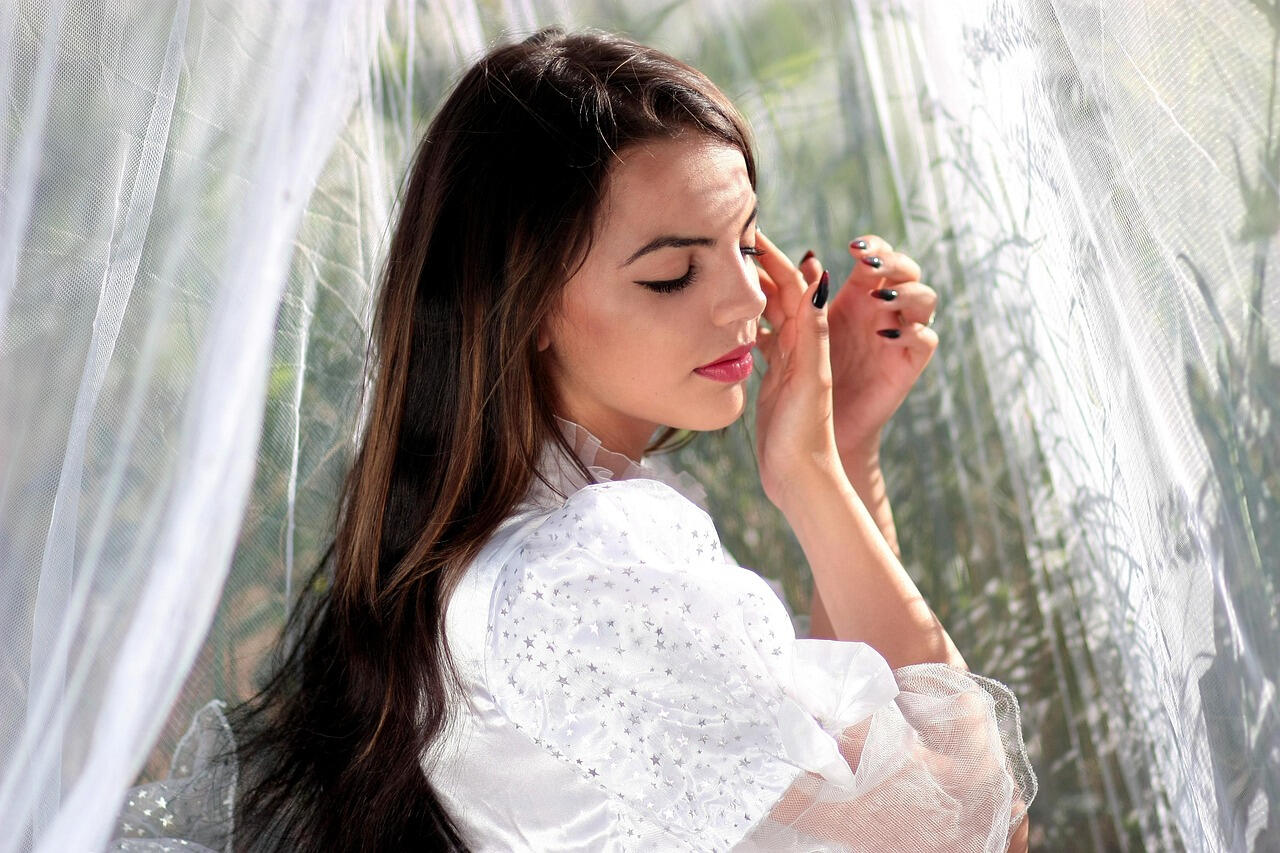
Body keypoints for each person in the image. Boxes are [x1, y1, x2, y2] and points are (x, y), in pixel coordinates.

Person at [110, 25, 1035, 852]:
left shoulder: (540, 526)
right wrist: (811, 472)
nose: (749, 298)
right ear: (527, 304)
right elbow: (970, 825)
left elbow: (855, 753)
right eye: (672, 274)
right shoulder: (584, 569)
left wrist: (846, 448)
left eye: (747, 243)